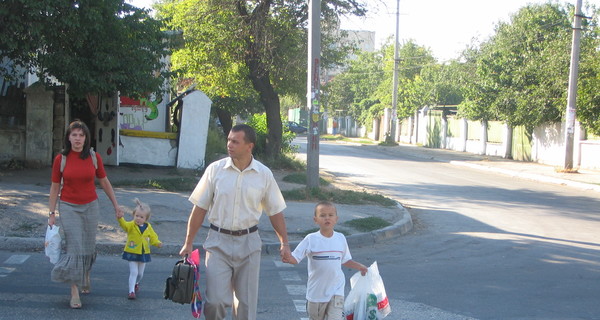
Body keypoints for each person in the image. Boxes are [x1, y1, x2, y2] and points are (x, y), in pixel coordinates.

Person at [179, 123, 292, 320]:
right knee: (215, 302)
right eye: (229, 140)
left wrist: (284, 243)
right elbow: (199, 209)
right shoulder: (215, 170)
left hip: (249, 243)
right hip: (218, 242)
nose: (229, 145)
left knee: (246, 306)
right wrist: (188, 242)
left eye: (235, 141)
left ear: (249, 146)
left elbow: (275, 212)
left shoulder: (264, 174)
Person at [48, 120, 123, 309]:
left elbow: (104, 182)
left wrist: (116, 205)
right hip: (68, 207)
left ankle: (86, 274)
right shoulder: (61, 159)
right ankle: (74, 291)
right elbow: (55, 186)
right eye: (74, 135)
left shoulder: (94, 157)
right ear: (68, 137)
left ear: (86, 138)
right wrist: (51, 213)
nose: (78, 139)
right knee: (74, 247)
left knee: (89, 245)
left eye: (81, 135)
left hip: (90, 206)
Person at [285, 201, 368, 320]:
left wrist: (360, 267)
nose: (327, 218)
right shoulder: (311, 239)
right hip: (316, 294)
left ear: (336, 218)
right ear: (315, 220)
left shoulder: (340, 238)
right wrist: (287, 257)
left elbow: (345, 260)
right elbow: (295, 258)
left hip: (336, 291)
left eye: (330, 215)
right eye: (322, 215)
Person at [118, 198, 162, 300]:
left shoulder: (148, 227)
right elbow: (124, 225)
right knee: (134, 272)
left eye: (141, 217)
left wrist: (157, 243)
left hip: (144, 253)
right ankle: (131, 291)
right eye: (136, 216)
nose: (138, 218)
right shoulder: (131, 226)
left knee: (140, 274)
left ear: (146, 219)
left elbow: (153, 237)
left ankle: (136, 283)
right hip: (132, 251)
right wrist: (120, 218)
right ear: (133, 215)